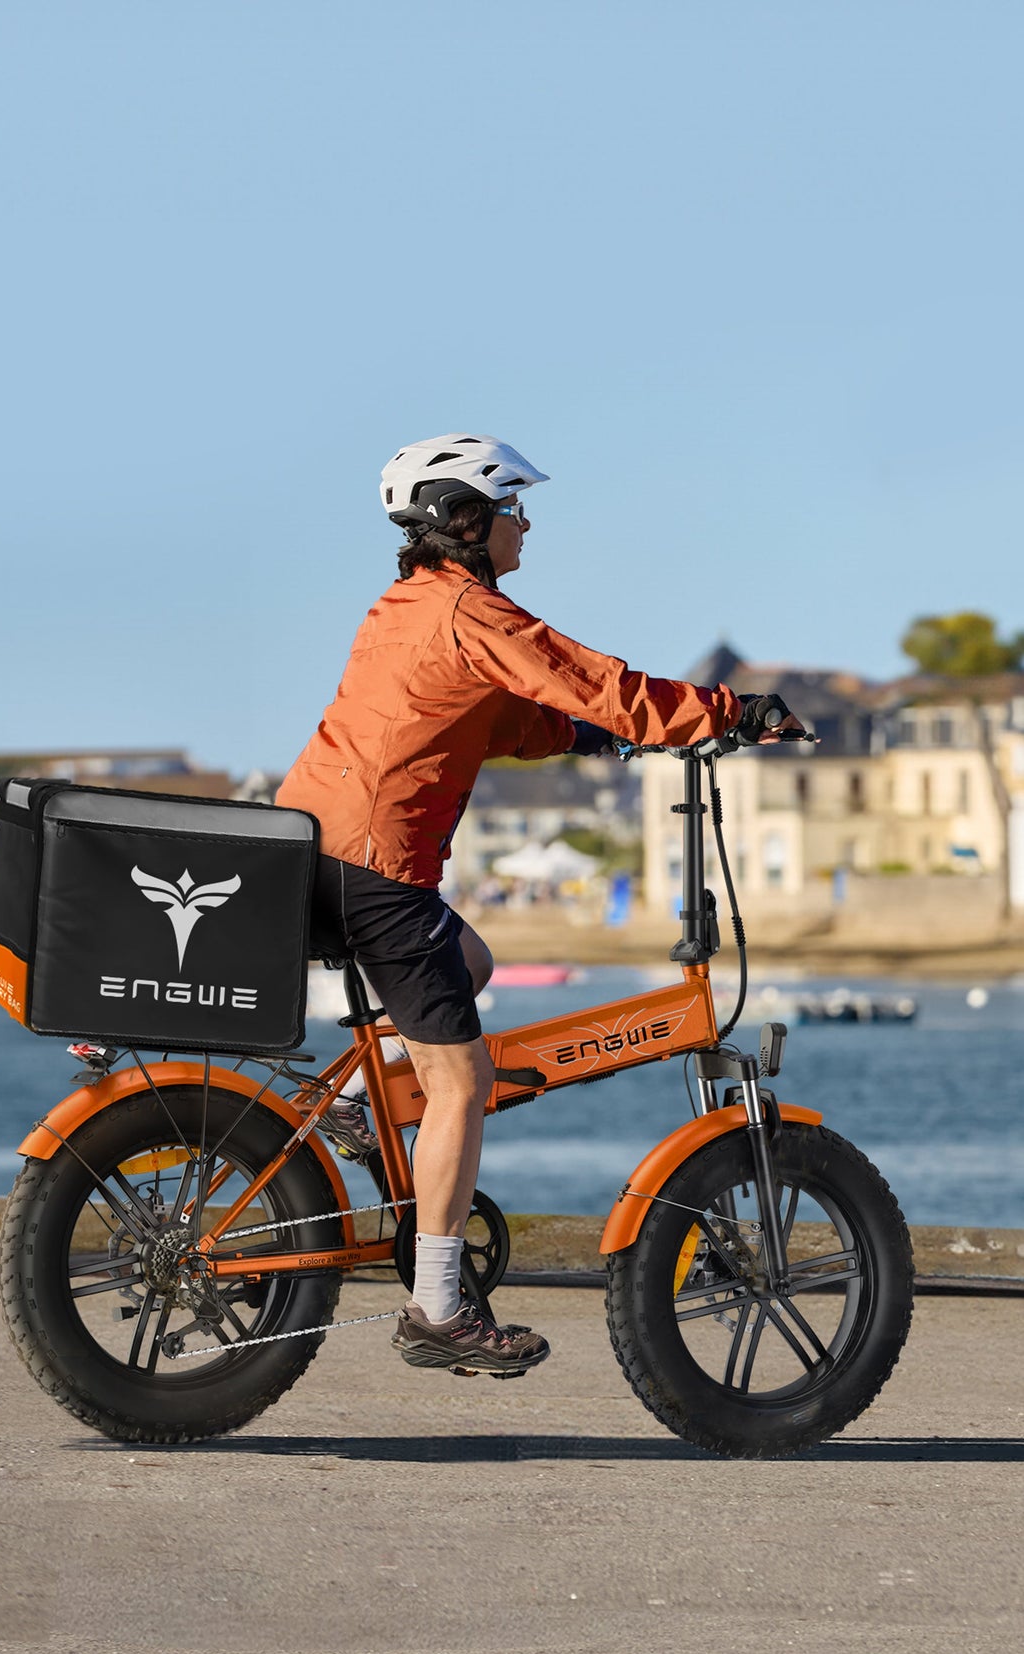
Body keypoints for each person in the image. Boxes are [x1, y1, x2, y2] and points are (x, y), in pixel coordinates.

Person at [275, 432, 799, 1379]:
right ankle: (437, 1307)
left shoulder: (406, 607)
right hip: (376, 867)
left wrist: (594, 741)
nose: (526, 524)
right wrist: (729, 712)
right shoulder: (472, 610)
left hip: (315, 849)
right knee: (462, 1083)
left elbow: (504, 713)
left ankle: (358, 1104)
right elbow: (593, 678)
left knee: (467, 963)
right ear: (462, 521)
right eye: (511, 507)